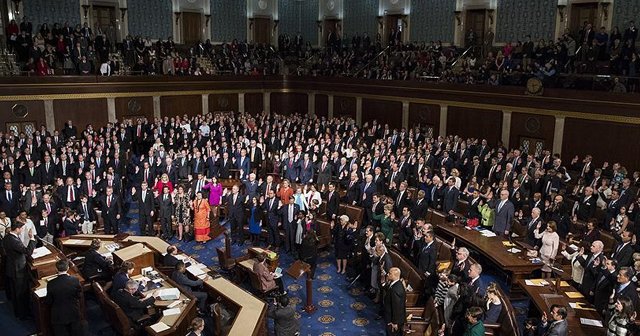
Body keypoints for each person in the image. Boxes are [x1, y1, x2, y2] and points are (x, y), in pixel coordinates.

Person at [2, 220, 36, 319]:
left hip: (12, 267)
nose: (22, 231)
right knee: (20, 293)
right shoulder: (13, 240)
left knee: (16, 293)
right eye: (21, 229)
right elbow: (27, 251)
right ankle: (22, 314)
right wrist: (32, 239)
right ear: (17, 229)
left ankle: (19, 312)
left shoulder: (7, 237)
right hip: (18, 270)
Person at [46, 259, 86, 336]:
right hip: (73, 312)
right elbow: (79, 295)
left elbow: (49, 301)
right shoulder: (75, 280)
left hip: (58, 316)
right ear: (68, 268)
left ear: (56, 269)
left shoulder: (51, 284)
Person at [383, 267, 406, 336]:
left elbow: (397, 307)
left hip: (394, 320)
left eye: (389, 273)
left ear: (394, 275)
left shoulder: (396, 289)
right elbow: (385, 288)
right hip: (391, 316)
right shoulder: (395, 283)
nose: (387, 274)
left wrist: (394, 322)